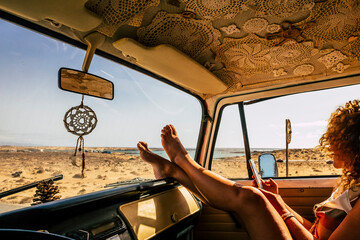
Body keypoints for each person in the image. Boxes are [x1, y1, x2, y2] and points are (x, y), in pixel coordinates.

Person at [137, 100, 360, 240]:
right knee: (254, 198)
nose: (329, 146)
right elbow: (317, 232)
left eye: (336, 140)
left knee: (252, 198)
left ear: (353, 146)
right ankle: (175, 170)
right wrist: (278, 201)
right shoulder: (351, 186)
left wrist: (281, 211)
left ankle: (182, 161)